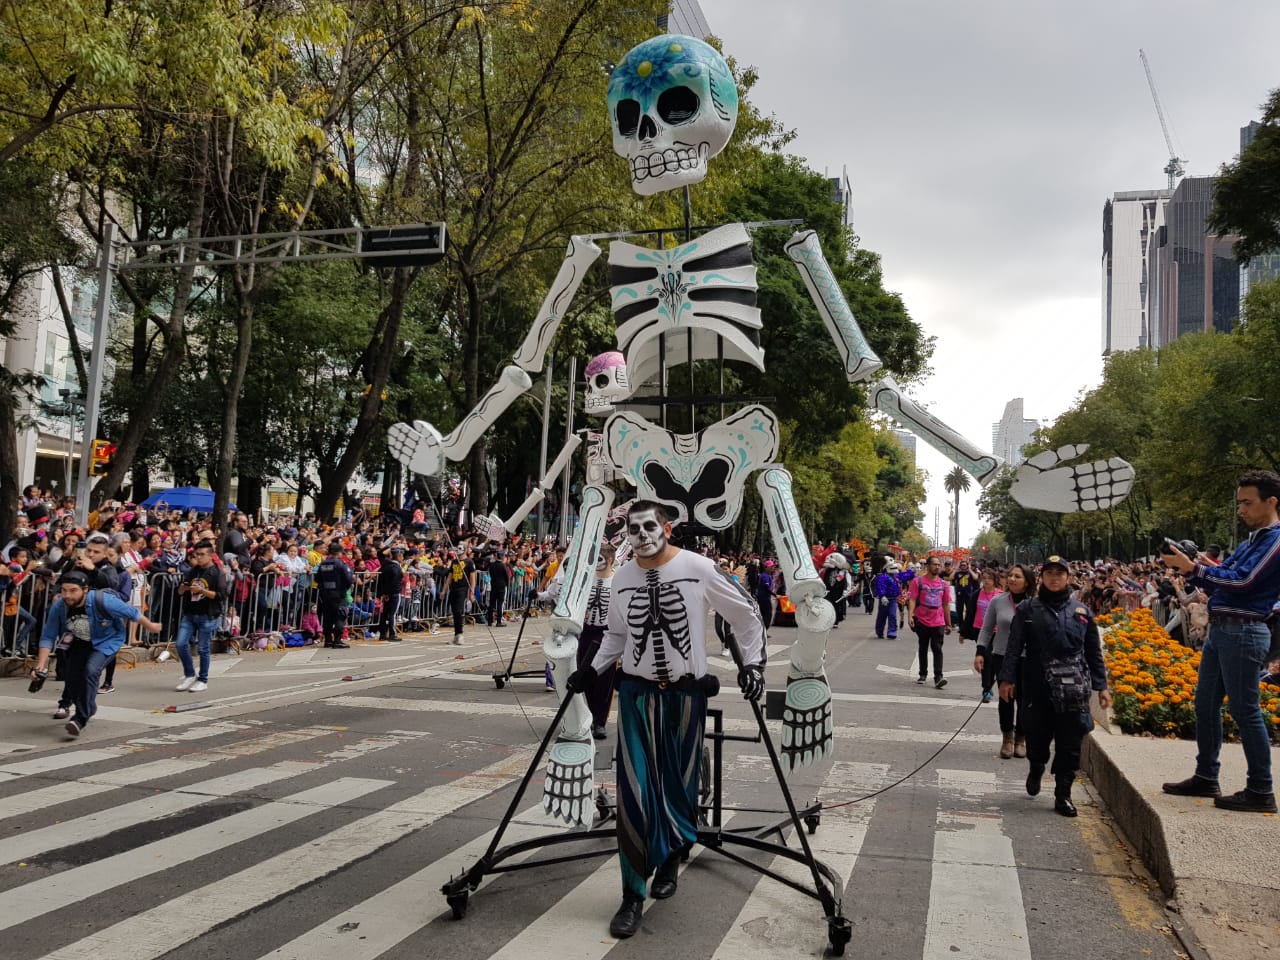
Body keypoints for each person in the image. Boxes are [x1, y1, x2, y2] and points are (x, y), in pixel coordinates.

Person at [564, 501, 765, 939]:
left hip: (686, 697)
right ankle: (632, 894)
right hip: (635, 696)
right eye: (633, 529)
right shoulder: (621, 579)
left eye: (649, 526)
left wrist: (753, 664)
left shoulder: (699, 567)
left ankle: (673, 853)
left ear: (666, 528)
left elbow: (746, 615)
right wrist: (591, 669)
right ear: (627, 535)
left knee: (680, 785)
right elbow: (617, 635)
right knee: (634, 792)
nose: (642, 535)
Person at [1160, 468, 1280, 813]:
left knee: (1246, 710)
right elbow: (1222, 579)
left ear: (1271, 502)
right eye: (1239, 502)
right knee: (1205, 705)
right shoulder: (1251, 541)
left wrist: (1197, 569)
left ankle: (1260, 789)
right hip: (1223, 630)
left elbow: (1245, 583)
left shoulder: (1275, 540)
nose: (1241, 510)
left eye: (1247, 502)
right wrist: (1194, 566)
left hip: (1244, 632)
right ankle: (1206, 775)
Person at [999, 556, 1111, 817]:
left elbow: (1094, 652)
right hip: (1038, 685)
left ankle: (1063, 794)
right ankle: (1036, 767)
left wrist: (1101, 686)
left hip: (1073, 689)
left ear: (1068, 578)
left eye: (1060, 573)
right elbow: (1014, 646)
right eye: (1049, 573)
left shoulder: (1081, 612)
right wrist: (1007, 679)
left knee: (1070, 743)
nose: (1054, 577)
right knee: (1037, 737)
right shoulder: (1028, 609)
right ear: (1041, 578)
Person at [29, 570, 162, 738]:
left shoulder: (104, 600)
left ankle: (80, 719)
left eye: (72, 591)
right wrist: (40, 665)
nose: (67, 595)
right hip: (78, 641)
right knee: (72, 680)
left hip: (106, 642)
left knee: (91, 671)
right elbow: (48, 636)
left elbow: (132, 613)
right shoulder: (60, 606)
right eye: (64, 590)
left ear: (85, 590)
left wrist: (151, 626)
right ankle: (88, 707)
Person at [976, 564, 1035, 758]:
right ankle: (1007, 738)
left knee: (1026, 700)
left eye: (1017, 576)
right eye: (1010, 576)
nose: (1012, 579)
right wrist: (980, 652)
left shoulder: (1035, 604)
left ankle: (1021, 739)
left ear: (1027, 581)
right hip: (1001, 656)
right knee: (1006, 700)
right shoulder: (997, 601)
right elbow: (986, 629)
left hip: (1029, 659)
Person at [576, 542, 620, 740]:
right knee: (584, 674)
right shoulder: (586, 581)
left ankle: (600, 721)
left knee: (605, 679)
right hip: (587, 632)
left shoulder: (618, 582)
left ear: (609, 559)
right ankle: (586, 717)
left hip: (607, 634)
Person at [908, 556, 952, 687]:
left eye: (939, 565)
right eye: (934, 564)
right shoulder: (918, 582)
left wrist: (948, 623)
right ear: (927, 566)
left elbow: (946, 605)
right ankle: (923, 674)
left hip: (938, 621)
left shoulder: (944, 584)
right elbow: (913, 599)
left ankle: (938, 677)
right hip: (922, 619)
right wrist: (910, 615)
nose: (937, 567)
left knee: (937, 648)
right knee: (923, 647)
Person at [315, 542, 353, 649]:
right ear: (339, 553)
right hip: (339, 594)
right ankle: (337, 640)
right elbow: (349, 579)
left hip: (325, 595)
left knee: (328, 617)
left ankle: (328, 641)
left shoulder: (323, 564)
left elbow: (317, 579)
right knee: (340, 617)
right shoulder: (340, 564)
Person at [446, 549, 476, 645]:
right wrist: (444, 590)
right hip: (453, 589)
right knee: (454, 612)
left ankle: (460, 634)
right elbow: (449, 577)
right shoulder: (454, 562)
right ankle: (456, 634)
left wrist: (471, 592)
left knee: (459, 610)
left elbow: (472, 578)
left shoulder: (469, 562)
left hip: (462, 589)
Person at [377, 547, 405, 640]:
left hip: (386, 593)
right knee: (392, 614)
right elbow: (395, 581)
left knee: (385, 613)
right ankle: (392, 633)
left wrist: (384, 593)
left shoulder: (386, 565)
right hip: (394, 593)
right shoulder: (396, 568)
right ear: (399, 556)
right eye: (402, 556)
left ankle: (383, 633)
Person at [873, 561, 901, 639]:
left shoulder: (896, 576)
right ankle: (879, 631)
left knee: (892, 615)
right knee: (882, 616)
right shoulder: (882, 576)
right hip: (884, 600)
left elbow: (904, 576)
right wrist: (882, 596)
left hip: (893, 600)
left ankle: (892, 631)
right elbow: (880, 586)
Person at [487, 550, 512, 627]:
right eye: (503, 555)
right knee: (500, 603)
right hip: (501, 586)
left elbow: (490, 573)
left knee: (491, 603)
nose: (504, 557)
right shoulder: (502, 565)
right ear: (501, 556)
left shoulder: (492, 565)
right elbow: (506, 576)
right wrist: (507, 585)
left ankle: (490, 621)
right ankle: (498, 621)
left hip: (494, 585)